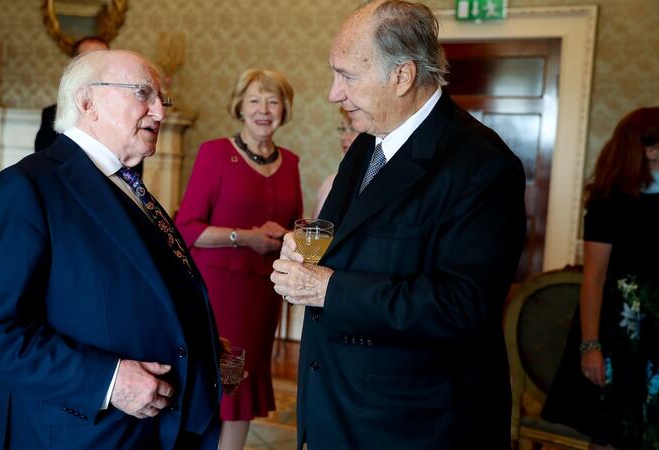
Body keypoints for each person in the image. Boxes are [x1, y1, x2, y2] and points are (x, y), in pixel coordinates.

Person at [270, 1, 526, 449]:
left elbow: (462, 305)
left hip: (415, 426)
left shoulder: (483, 165)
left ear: (402, 76)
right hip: (340, 407)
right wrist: (305, 250)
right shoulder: (366, 144)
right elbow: (351, 239)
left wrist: (328, 288)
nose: (334, 93)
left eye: (347, 76)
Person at [0, 50, 223, 449]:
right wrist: (110, 380)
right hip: (78, 431)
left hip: (151, 429)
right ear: (87, 102)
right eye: (143, 93)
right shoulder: (29, 186)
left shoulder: (128, 184)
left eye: (161, 99)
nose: (159, 112)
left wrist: (202, 346)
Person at [175, 68, 302, 450]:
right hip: (219, 293)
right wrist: (245, 237)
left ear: (284, 109)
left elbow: (292, 223)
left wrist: (288, 237)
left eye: (273, 100)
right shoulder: (215, 153)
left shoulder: (291, 162)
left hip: (263, 295)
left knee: (243, 387)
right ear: (240, 108)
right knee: (217, 381)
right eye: (255, 100)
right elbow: (187, 227)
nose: (264, 109)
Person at [542, 107, 659, 450]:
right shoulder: (610, 202)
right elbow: (593, 278)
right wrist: (591, 346)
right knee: (612, 430)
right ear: (648, 150)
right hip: (621, 331)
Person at [34, 36, 108, 152]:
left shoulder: (123, 114)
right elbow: (44, 161)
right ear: (76, 65)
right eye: (90, 58)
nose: (97, 66)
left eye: (102, 58)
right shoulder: (51, 115)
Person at [311, 107, 359, 218]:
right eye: (342, 129)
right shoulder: (330, 183)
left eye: (352, 129)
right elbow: (315, 232)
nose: (343, 137)